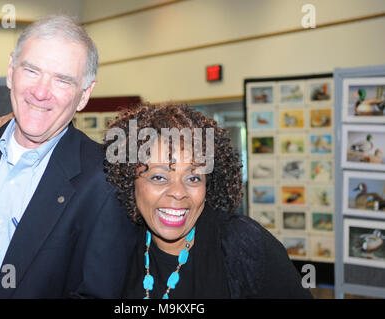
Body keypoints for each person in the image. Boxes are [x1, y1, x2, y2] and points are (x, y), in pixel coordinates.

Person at [0, 15, 137, 299]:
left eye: (62, 80)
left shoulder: (105, 181)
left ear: (84, 95)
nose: (41, 92)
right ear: (10, 71)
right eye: (31, 71)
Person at [102, 103, 313, 299]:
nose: (178, 192)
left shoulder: (242, 243)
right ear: (130, 180)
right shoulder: (117, 244)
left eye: (193, 178)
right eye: (159, 177)